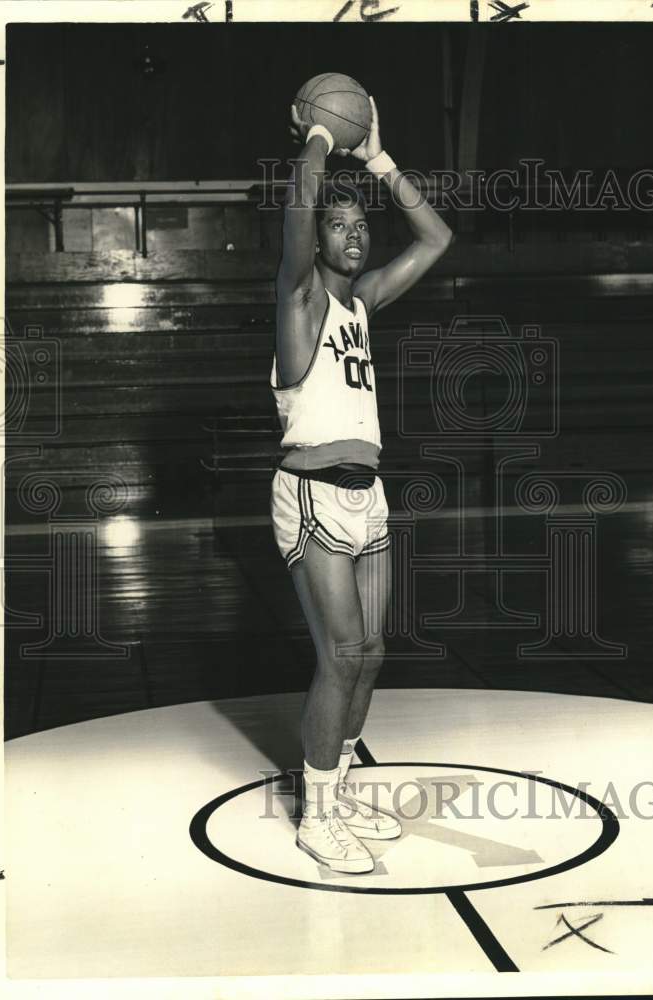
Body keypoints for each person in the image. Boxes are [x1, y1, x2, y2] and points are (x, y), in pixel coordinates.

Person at [270, 96, 453, 873]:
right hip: (310, 491)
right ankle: (316, 816)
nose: (353, 234)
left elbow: (438, 236)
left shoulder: (362, 302)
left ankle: (337, 793)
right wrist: (318, 140)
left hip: (366, 492)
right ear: (317, 239)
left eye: (359, 225)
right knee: (340, 653)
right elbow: (301, 214)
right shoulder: (300, 298)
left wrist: (378, 158)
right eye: (337, 226)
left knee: (372, 651)